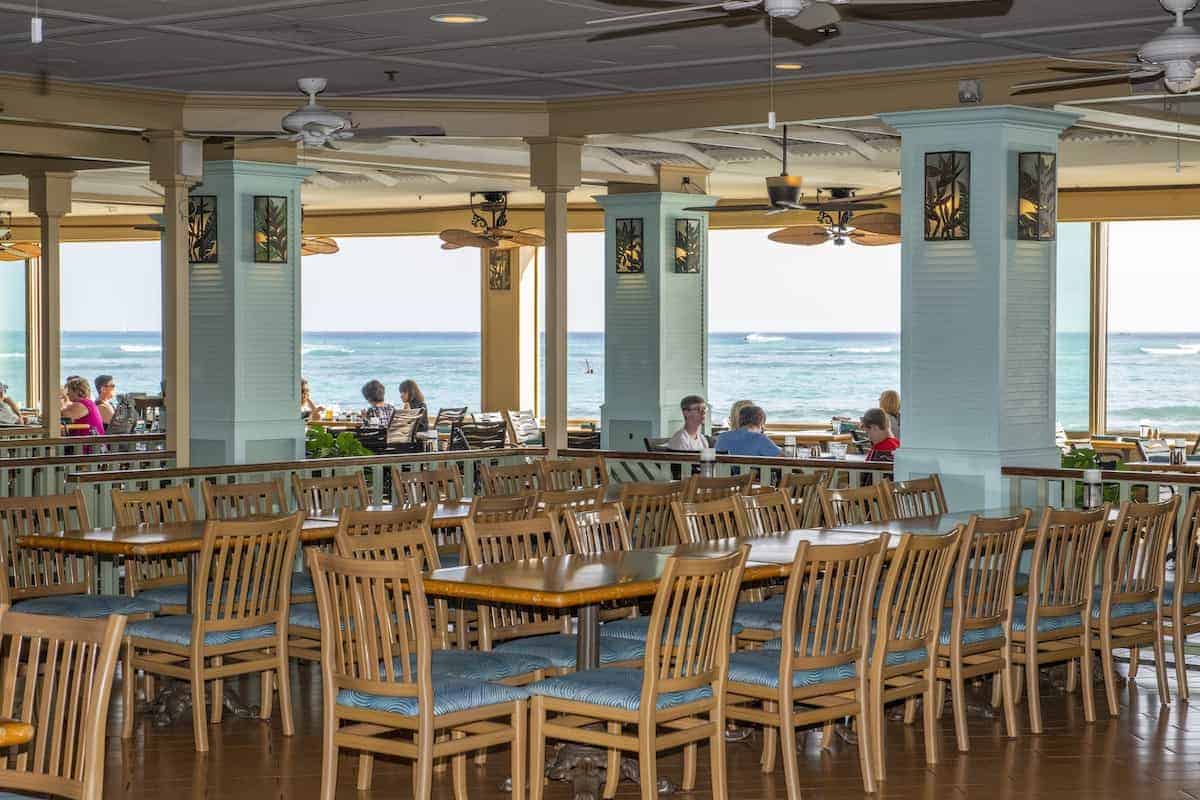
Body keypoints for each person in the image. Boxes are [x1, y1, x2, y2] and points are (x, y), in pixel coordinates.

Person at [715, 404, 782, 457]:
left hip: (723, 474)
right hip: (751, 474)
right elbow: (782, 458)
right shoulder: (760, 438)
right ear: (761, 423)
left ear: (739, 420)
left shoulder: (722, 437)